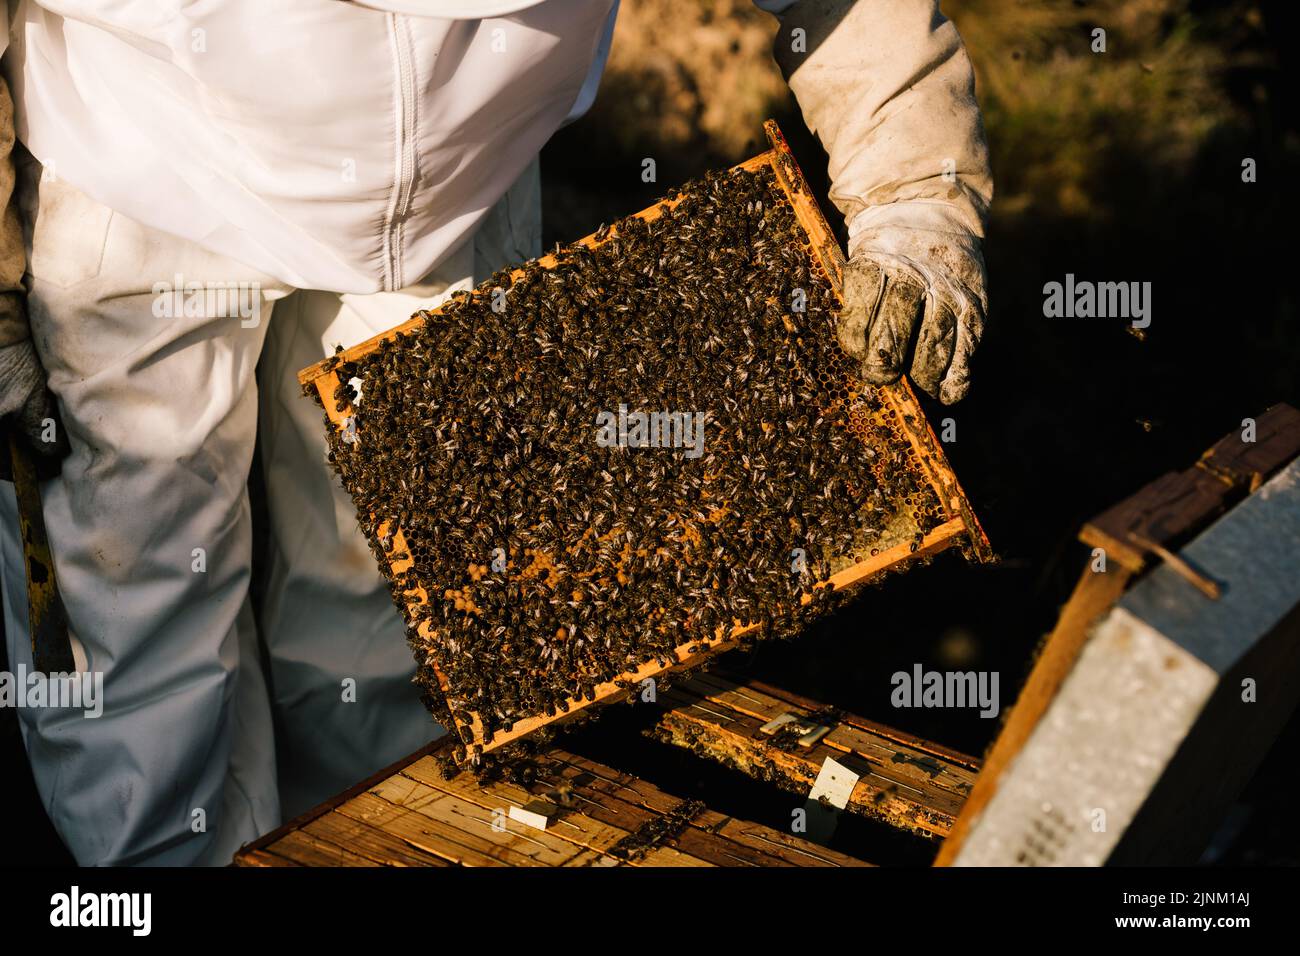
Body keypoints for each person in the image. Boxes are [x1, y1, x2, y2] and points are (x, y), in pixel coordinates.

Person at [0, 0, 991, 865]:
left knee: (393, 607)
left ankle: (369, 841)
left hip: (450, 193)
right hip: (143, 157)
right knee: (144, 587)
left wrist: (914, 197)